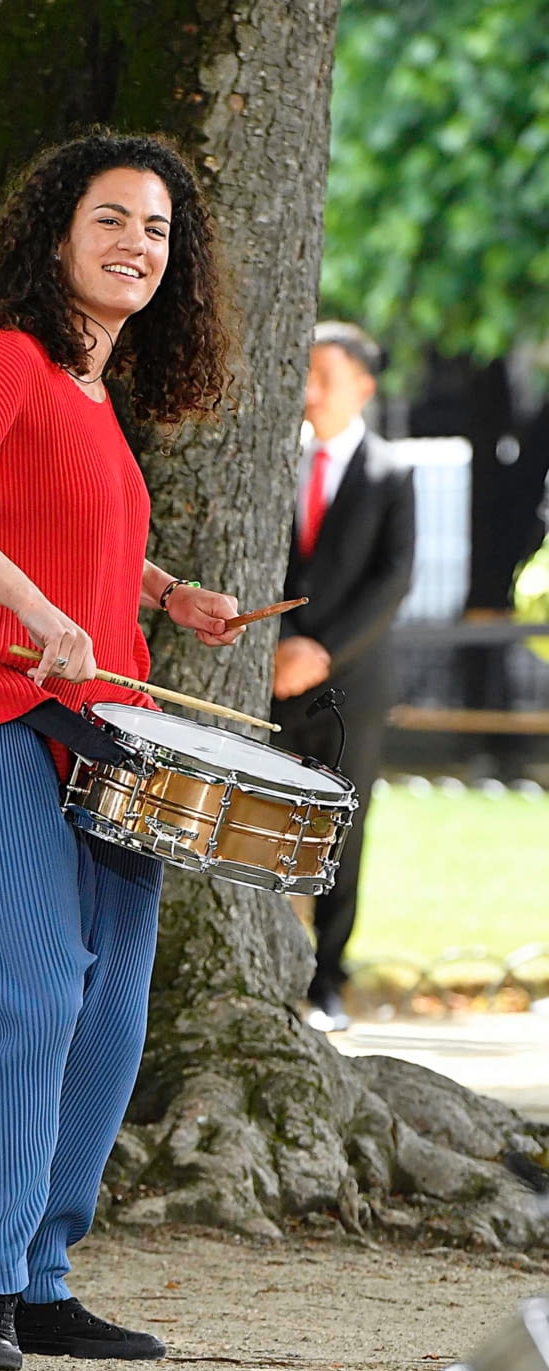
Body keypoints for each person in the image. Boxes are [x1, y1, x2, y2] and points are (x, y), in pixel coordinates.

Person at [0, 131, 240, 1371]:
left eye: (157, 230)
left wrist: (162, 587)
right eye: (113, 221)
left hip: (109, 731)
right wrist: (33, 612)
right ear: (56, 235)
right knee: (27, 986)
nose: (138, 245)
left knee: (110, 1014)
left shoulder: (90, 395)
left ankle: (44, 1280)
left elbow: (49, 518)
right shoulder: (7, 359)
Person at [272, 321, 415, 1032]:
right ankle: (270, 966)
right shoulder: (274, 463)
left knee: (341, 827)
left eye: (325, 373)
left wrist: (320, 650)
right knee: (265, 817)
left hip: (350, 679)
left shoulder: (391, 474)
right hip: (274, 672)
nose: (310, 388)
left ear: (363, 384)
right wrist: (282, 642)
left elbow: (392, 580)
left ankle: (327, 976)